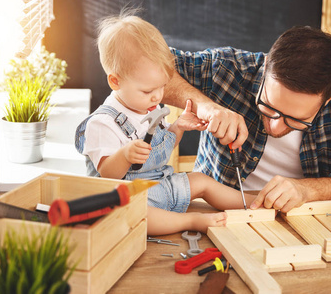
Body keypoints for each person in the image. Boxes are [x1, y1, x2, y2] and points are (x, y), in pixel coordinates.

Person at [162, 26, 331, 213]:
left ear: (328, 99)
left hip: (299, 216)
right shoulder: (228, 69)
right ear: (265, 71)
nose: (274, 126)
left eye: (295, 120)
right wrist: (206, 106)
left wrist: (308, 190)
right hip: (212, 214)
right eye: (268, 106)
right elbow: (140, 60)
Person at [75, 13, 255, 235]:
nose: (157, 96)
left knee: (201, 181)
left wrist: (177, 128)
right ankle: (192, 221)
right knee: (132, 211)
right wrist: (124, 155)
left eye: (162, 87)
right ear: (115, 81)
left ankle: (256, 203)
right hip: (128, 196)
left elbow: (163, 149)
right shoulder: (103, 123)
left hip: (161, 183)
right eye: (148, 91)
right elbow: (108, 174)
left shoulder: (149, 107)